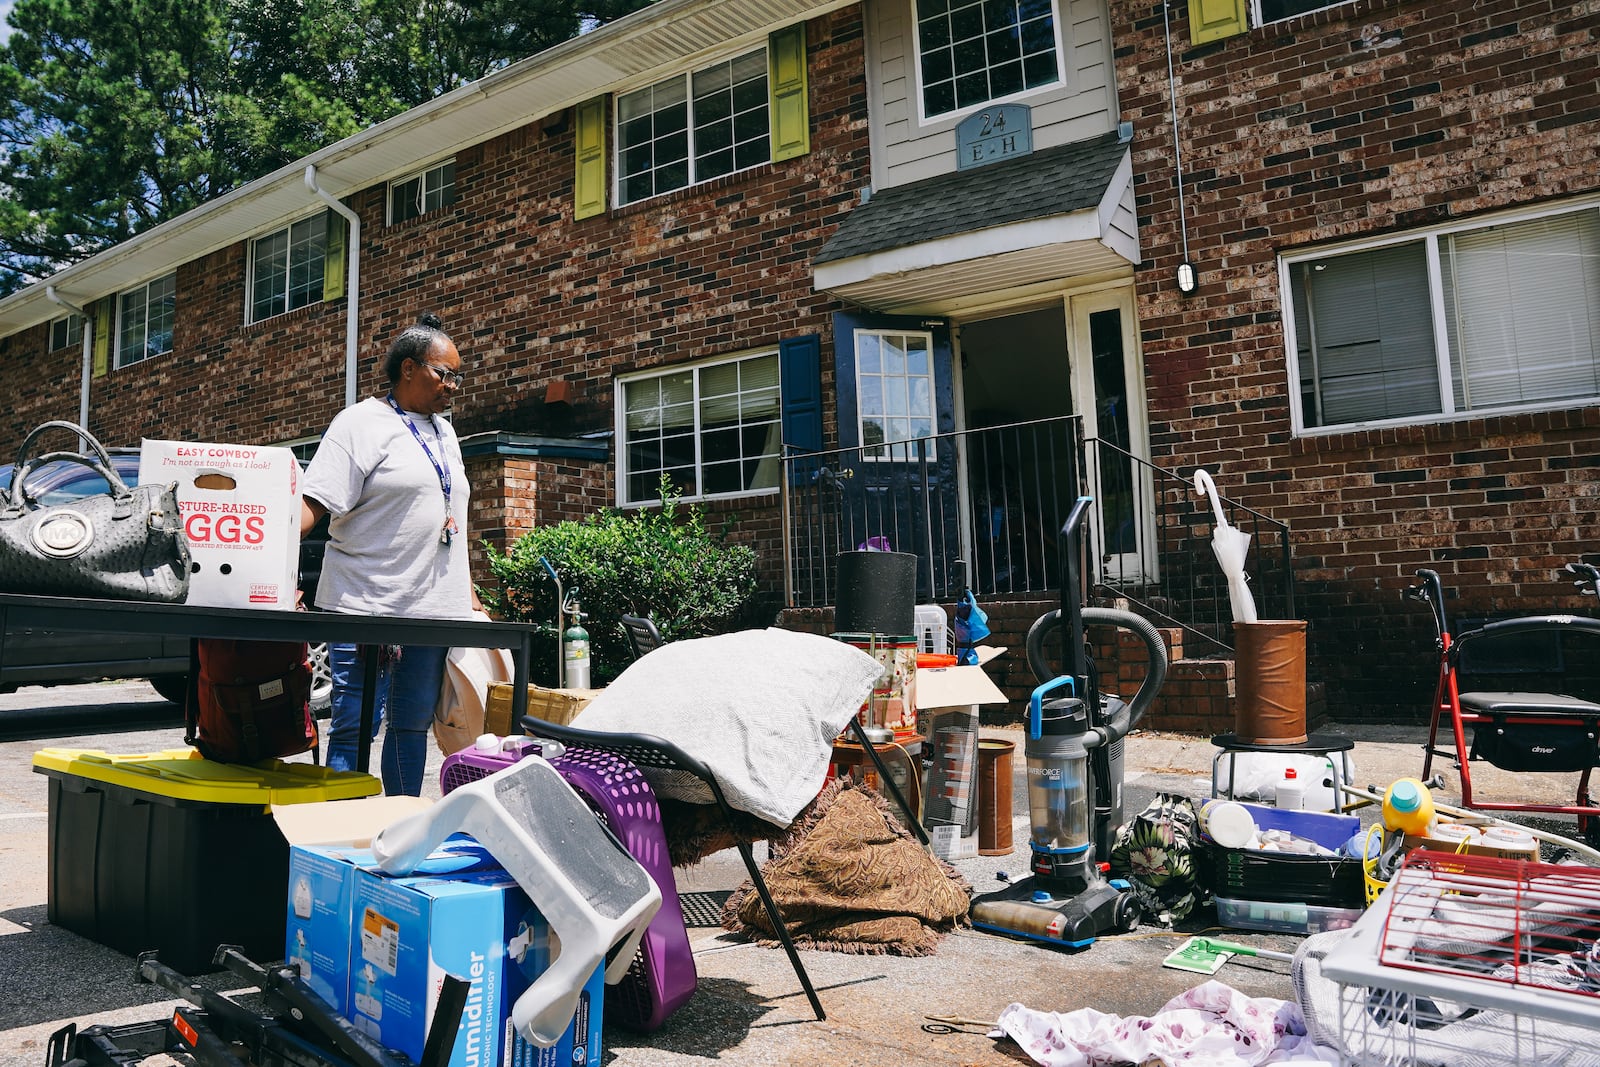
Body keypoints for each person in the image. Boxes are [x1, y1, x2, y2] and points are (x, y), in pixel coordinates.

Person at [299, 313, 481, 794]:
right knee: (355, 726)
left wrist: (467, 593)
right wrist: (264, 569)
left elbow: (449, 517)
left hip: (431, 613)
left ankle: (398, 825)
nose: (453, 386)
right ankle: (339, 836)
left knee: (410, 726)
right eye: (444, 373)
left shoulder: (446, 434)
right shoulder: (360, 422)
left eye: (457, 376)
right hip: (366, 605)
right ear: (407, 368)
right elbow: (311, 505)